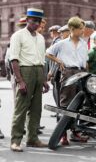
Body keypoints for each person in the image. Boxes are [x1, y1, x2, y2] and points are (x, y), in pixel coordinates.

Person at [9, 8, 50, 152]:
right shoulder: (18, 36)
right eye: (33, 21)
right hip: (25, 71)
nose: (36, 24)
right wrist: (20, 81)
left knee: (36, 109)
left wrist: (44, 79)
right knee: (21, 108)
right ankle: (15, 140)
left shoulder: (40, 38)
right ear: (27, 20)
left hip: (38, 71)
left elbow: (42, 60)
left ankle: (32, 139)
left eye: (39, 21)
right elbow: (14, 59)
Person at [46, 16, 88, 145]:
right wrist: (58, 61)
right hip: (68, 73)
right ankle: (62, 135)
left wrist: (87, 74)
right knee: (65, 105)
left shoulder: (83, 43)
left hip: (81, 73)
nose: (83, 31)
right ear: (72, 29)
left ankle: (75, 132)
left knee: (78, 105)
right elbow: (48, 52)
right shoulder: (62, 43)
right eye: (81, 29)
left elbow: (85, 61)